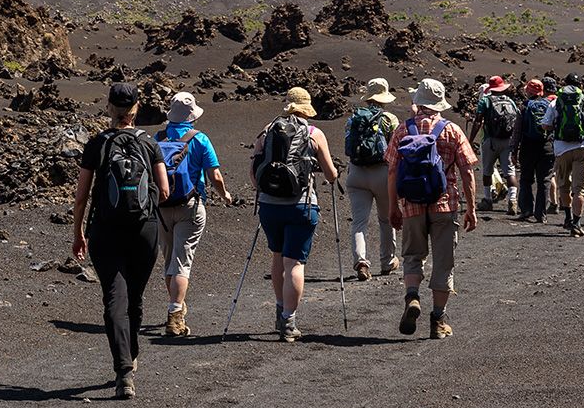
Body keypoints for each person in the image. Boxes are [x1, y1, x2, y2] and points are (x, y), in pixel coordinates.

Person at [72, 82, 170, 398]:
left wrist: (78, 234)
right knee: (136, 297)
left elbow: (81, 197)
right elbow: (164, 190)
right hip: (144, 229)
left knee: (114, 298)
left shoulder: (96, 144)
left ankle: (123, 372)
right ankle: (133, 353)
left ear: (109, 108)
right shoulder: (149, 142)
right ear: (136, 109)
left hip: (106, 230)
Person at [387, 78, 477, 338]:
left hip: (412, 205)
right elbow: (467, 171)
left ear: (418, 101)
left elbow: (392, 172)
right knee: (443, 263)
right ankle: (438, 320)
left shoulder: (403, 130)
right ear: (440, 103)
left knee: (413, 256)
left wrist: (394, 207)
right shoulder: (452, 131)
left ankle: (412, 296)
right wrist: (471, 208)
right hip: (444, 204)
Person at [250, 86, 341, 342]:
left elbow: (253, 171)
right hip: (302, 206)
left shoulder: (268, 131)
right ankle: (289, 321)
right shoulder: (314, 133)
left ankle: (280, 309)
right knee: (295, 263)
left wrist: (267, 192)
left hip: (269, 206)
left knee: (278, 256)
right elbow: (331, 173)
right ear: (306, 109)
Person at [154, 91, 235, 336]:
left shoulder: (157, 138)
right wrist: (225, 195)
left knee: (170, 261)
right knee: (182, 262)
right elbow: (215, 176)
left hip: (162, 206)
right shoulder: (199, 139)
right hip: (190, 205)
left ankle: (176, 305)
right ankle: (175, 317)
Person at [342, 78, 400, 281]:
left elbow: (348, 145)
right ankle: (387, 261)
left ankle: (361, 262)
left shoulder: (353, 119)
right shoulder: (390, 119)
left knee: (359, 222)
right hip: (382, 173)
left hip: (356, 173)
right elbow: (396, 149)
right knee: (386, 219)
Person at [541, 73, 584, 237]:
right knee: (580, 188)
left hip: (561, 149)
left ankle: (568, 218)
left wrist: (558, 127)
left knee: (564, 184)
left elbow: (545, 125)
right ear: (580, 86)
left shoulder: (555, 103)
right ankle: (576, 223)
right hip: (583, 148)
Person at [466, 74, 519, 215]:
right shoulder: (510, 101)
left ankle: (488, 200)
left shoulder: (485, 100)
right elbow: (517, 119)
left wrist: (470, 139)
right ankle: (513, 200)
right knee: (510, 172)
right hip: (508, 140)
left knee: (487, 171)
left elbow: (478, 120)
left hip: (490, 140)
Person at [515, 78, 555, 222]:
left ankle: (526, 210)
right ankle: (541, 214)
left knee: (526, 179)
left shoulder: (524, 106)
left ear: (528, 91)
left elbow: (517, 130)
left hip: (528, 146)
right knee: (544, 180)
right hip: (546, 146)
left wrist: (514, 150)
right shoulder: (550, 105)